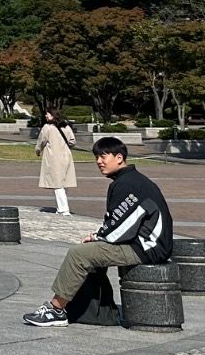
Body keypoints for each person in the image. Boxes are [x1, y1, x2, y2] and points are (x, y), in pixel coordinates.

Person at [22, 136, 173, 327]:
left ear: (119, 157)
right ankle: (100, 313)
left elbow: (122, 227)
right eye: (96, 158)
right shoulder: (130, 180)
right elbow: (120, 222)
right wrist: (99, 237)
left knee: (79, 254)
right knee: (90, 251)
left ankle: (56, 309)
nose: (99, 162)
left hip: (146, 248)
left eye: (103, 156)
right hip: (144, 244)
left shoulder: (128, 184)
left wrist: (98, 237)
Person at [36, 110, 77, 215]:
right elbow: (72, 141)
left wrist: (38, 150)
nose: (46, 115)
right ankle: (61, 207)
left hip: (54, 157)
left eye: (48, 114)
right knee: (63, 182)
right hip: (66, 156)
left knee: (57, 184)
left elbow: (41, 141)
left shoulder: (47, 127)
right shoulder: (66, 127)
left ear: (53, 115)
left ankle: (63, 208)